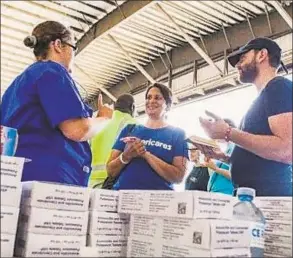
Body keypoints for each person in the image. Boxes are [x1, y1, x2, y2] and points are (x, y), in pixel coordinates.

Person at [1, 21, 109, 186]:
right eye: (73, 48)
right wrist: (103, 118)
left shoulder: (16, 85)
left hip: (18, 178)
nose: (73, 55)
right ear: (58, 45)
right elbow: (77, 130)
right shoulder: (53, 72)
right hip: (51, 179)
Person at [198, 37, 292, 196]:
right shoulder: (264, 96)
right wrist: (225, 157)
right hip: (253, 196)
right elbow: (260, 158)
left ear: (262, 55)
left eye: (242, 58)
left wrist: (228, 132)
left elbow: (287, 149)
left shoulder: (278, 87)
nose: (238, 65)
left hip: (269, 199)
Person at [106, 83, 189, 190]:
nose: (151, 101)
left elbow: (178, 177)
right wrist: (126, 156)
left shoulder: (178, 135)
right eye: (148, 97)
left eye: (158, 98)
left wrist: (146, 154)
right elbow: (110, 171)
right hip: (125, 199)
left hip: (158, 202)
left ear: (167, 105)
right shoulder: (129, 129)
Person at [89, 93, 136, 188]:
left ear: (115, 106)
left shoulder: (101, 119)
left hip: (91, 180)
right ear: (132, 107)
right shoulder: (132, 124)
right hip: (112, 181)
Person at [206, 119, 235, 195]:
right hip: (214, 193)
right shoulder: (225, 150)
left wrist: (216, 169)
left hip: (226, 194)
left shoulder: (235, 149)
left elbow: (236, 176)